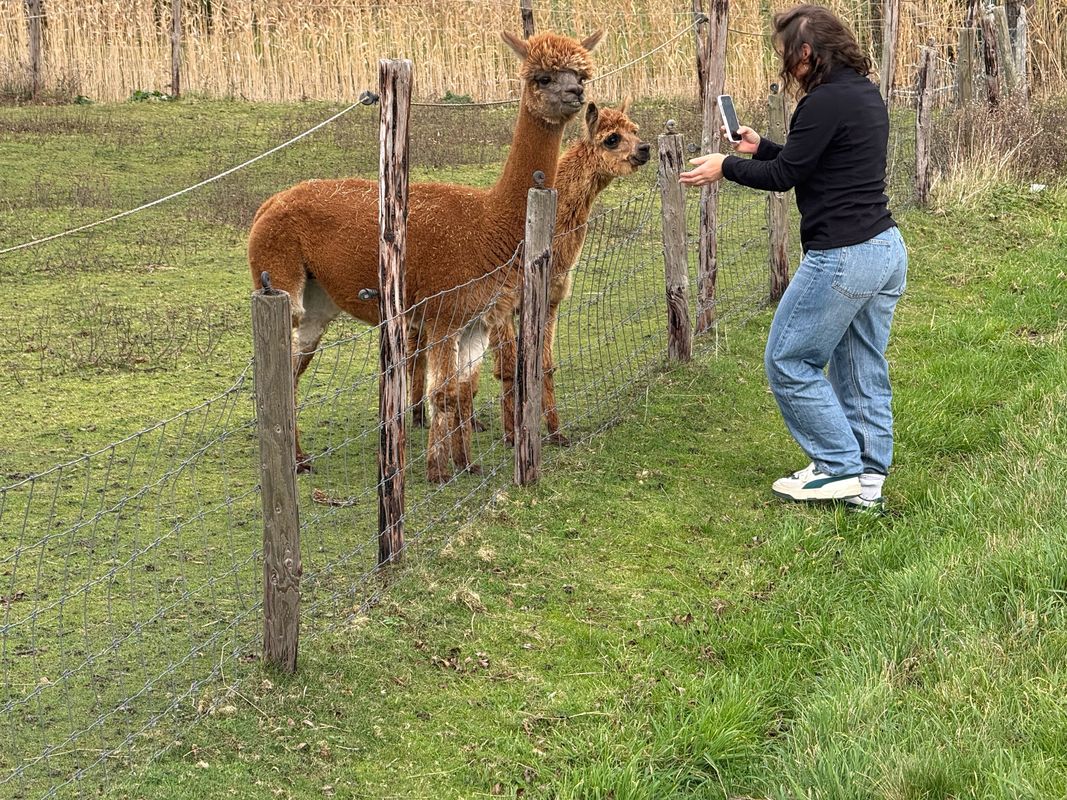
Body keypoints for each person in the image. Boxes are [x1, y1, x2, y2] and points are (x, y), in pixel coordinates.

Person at [679, 4, 908, 510]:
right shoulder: (864, 95)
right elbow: (808, 163)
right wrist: (759, 147)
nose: (784, 65)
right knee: (859, 364)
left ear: (807, 52)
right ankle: (866, 484)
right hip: (885, 251)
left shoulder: (822, 103)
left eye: (787, 55)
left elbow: (785, 178)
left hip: (843, 257)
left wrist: (726, 166)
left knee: (788, 359)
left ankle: (837, 466)